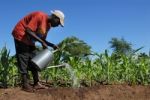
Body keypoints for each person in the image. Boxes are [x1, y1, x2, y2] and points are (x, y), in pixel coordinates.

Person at [12, 10, 65, 92]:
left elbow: (42, 39)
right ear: (55, 18)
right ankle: (25, 84)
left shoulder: (48, 26)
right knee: (24, 59)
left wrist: (52, 45)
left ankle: (36, 83)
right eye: (58, 23)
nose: (58, 25)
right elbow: (28, 30)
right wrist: (41, 42)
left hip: (30, 41)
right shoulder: (40, 15)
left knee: (35, 60)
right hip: (21, 35)